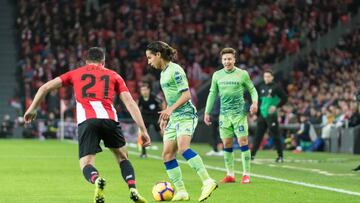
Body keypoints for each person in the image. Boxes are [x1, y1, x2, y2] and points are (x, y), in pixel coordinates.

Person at [23, 47, 150, 203]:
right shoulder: (114, 75)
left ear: (86, 61)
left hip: (87, 121)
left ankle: (96, 180)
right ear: (103, 62)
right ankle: (133, 189)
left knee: (86, 164)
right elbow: (130, 102)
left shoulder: (76, 73)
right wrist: (143, 130)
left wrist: (32, 108)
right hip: (109, 119)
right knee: (122, 157)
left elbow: (45, 87)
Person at [145, 41, 218, 202]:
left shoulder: (175, 70)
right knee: (167, 154)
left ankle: (207, 181)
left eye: (150, 57)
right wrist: (167, 115)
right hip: (174, 116)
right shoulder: (163, 73)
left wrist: (170, 110)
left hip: (185, 114)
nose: (149, 61)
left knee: (183, 148)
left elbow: (186, 95)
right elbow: (171, 97)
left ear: (158, 54)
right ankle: (181, 191)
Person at [204, 47, 258, 184]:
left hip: (239, 114)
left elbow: (252, 89)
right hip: (224, 116)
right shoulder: (217, 75)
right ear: (222, 61)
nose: (227, 61)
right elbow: (212, 93)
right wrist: (207, 112)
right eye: (224, 59)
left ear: (234, 60)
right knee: (226, 143)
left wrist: (255, 103)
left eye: (229, 59)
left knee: (242, 142)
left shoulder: (242, 74)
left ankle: (246, 174)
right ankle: (230, 175)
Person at [251, 70, 287, 162]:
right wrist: (257, 114)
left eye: (268, 76)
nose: (266, 78)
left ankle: (280, 156)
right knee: (258, 136)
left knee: (275, 136)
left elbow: (285, 98)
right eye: (265, 76)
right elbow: (260, 102)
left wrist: (276, 106)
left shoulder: (276, 87)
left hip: (271, 115)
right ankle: (252, 156)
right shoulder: (261, 87)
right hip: (262, 115)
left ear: (272, 77)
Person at [137, 81, 164, 158]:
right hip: (145, 118)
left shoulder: (154, 97)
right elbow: (137, 107)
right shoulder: (140, 99)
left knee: (162, 133)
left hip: (155, 117)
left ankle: (169, 149)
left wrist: (163, 113)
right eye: (142, 90)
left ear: (149, 90)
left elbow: (162, 102)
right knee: (143, 134)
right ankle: (143, 153)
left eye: (145, 90)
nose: (144, 92)